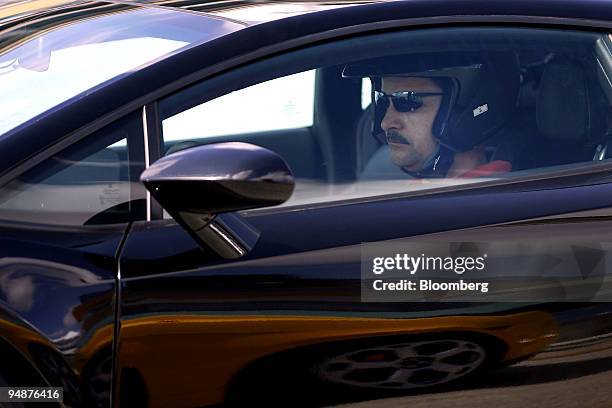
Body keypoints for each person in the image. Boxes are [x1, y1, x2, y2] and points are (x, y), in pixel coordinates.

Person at [344, 52, 521, 178]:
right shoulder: (413, 193)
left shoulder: (489, 206)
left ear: (468, 112)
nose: (385, 123)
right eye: (382, 100)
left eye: (408, 101)